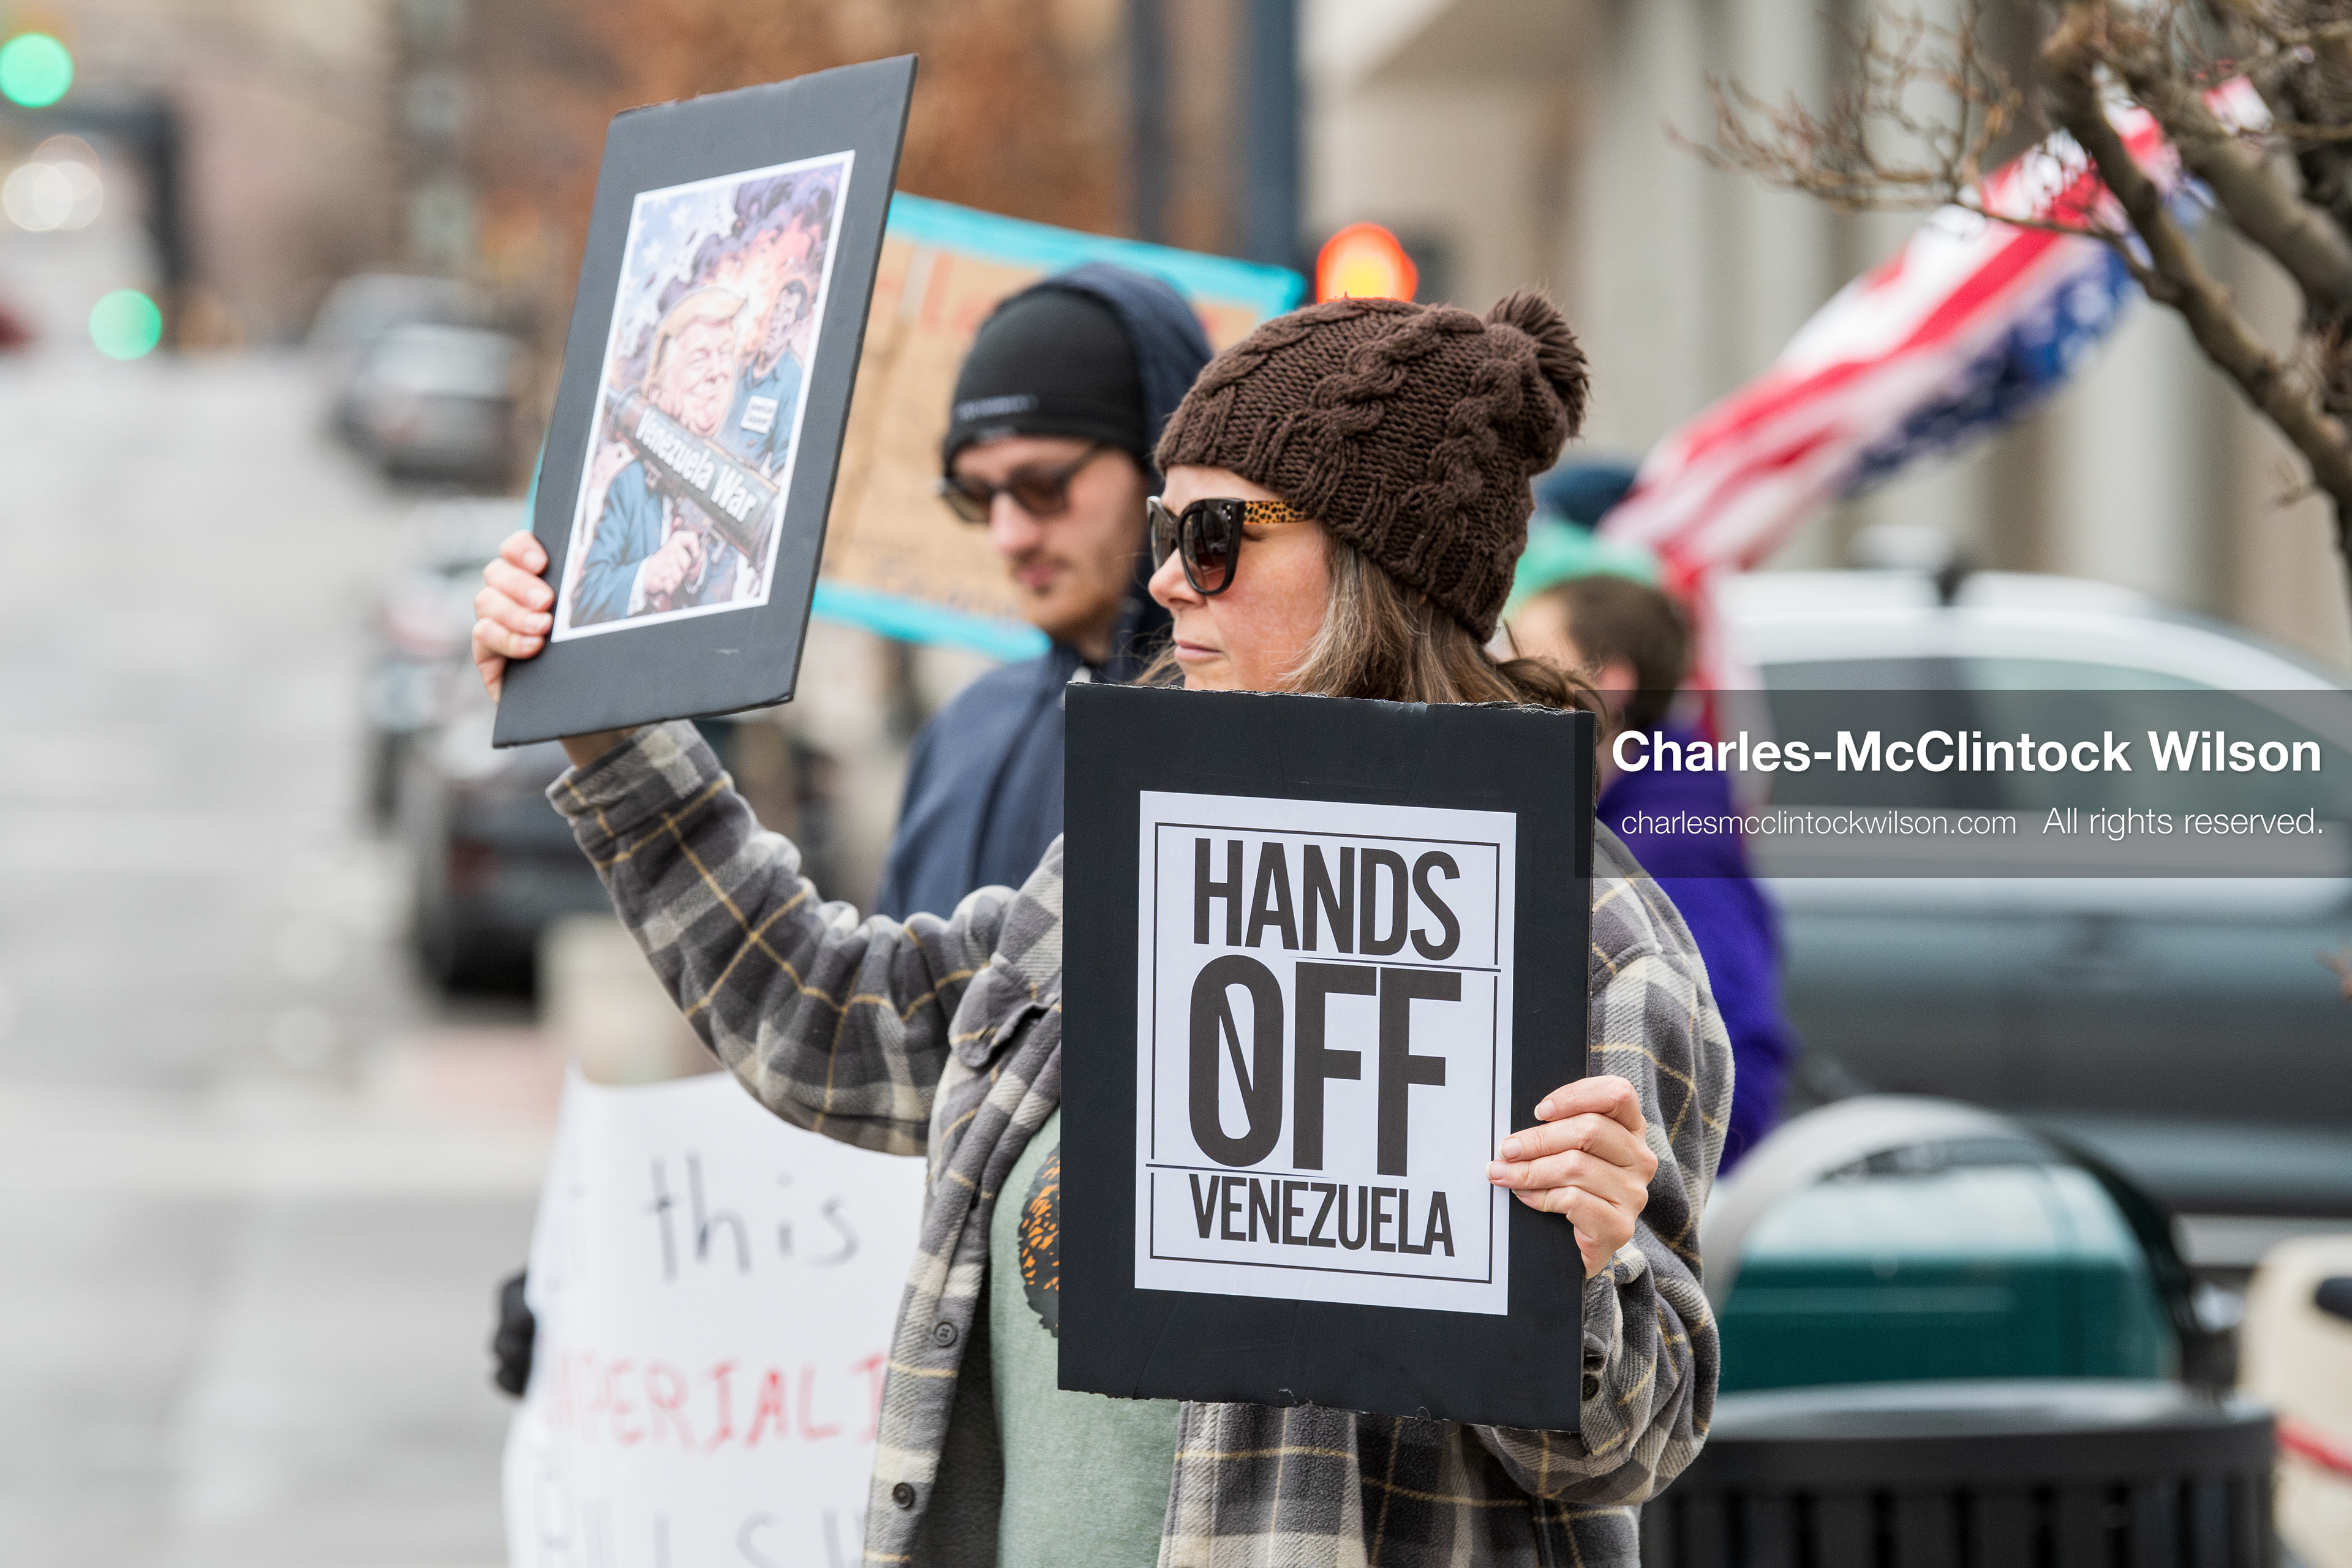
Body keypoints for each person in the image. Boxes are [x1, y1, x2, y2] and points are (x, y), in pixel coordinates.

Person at [471, 290, 1729, 1567]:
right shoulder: (1131, 861)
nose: (1167, 575)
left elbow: (1639, 1439)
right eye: (1165, 528)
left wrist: (1578, 1258)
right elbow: (829, 1018)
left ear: (1372, 563)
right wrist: (609, 722)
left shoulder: (1591, 940)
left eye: (1217, 533)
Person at [876, 263, 1212, 918]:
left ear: (1161, 468)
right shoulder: (963, 730)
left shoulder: (1250, 734)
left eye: (1042, 486)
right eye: (977, 495)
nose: (1008, 535)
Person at [1509, 573, 1795, 1172]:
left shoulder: (1667, 839)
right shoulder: (1602, 809)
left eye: (1528, 656)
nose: (1503, 676)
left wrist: (1664, 1187)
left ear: (1610, 682)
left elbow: (1737, 1041)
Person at [571, 287, 751, 625]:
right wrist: (647, 576)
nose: (717, 372)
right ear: (656, 394)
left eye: (725, 353)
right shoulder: (630, 486)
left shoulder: (734, 492)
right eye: (698, 358)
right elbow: (584, 601)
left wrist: (697, 574)